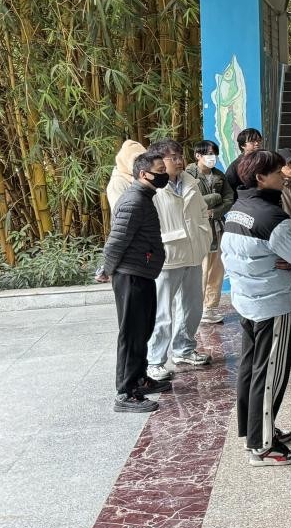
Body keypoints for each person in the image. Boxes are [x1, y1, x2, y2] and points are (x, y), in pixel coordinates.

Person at [221, 150, 291, 466]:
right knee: (270, 372)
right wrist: (289, 264)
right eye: (277, 172)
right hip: (272, 303)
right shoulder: (273, 219)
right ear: (260, 178)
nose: (284, 175)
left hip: (245, 299)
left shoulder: (237, 209)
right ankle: (263, 446)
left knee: (251, 367)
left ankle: (254, 429)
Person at [98, 149, 172, 413]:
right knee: (131, 334)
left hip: (142, 273)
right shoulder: (133, 201)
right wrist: (106, 269)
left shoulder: (144, 197)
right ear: (143, 174)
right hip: (130, 275)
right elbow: (116, 241)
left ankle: (140, 379)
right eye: (160, 171)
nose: (165, 175)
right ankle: (125, 393)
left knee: (142, 329)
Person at [146, 139, 213, 381]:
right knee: (162, 312)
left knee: (192, 306)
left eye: (180, 156)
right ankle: (155, 361)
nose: (179, 161)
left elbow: (202, 212)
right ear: (158, 161)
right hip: (168, 256)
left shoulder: (190, 181)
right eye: (172, 157)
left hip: (193, 252)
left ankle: (184, 350)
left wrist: (204, 235)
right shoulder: (153, 187)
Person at [189, 140, 234, 325]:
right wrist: (215, 197)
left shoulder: (219, 175)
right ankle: (196, 308)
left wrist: (215, 212)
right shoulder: (188, 175)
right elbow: (190, 200)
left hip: (217, 227)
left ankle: (211, 307)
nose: (212, 157)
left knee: (216, 268)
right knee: (201, 269)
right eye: (208, 153)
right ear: (198, 155)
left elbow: (229, 198)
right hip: (197, 228)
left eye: (214, 153)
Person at [106, 139, 147, 211]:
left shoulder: (142, 176)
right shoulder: (117, 183)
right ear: (125, 161)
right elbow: (121, 212)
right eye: (136, 160)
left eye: (144, 159)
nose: (141, 164)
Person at [224, 127, 263, 192]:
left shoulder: (266, 159)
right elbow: (228, 189)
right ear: (242, 145)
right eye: (252, 141)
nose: (257, 143)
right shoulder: (236, 166)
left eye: (259, 140)